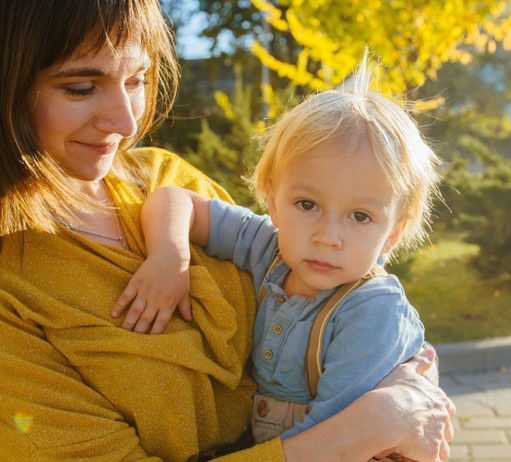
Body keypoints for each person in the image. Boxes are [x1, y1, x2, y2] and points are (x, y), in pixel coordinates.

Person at [0, 0, 455, 461]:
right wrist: (379, 422)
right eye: (81, 88)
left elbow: (351, 310)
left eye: (137, 79)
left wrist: (408, 384)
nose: (127, 122)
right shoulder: (13, 286)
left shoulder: (161, 175)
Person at [112, 56, 440, 451]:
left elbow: (338, 435)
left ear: (393, 234)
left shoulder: (371, 311)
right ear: (272, 199)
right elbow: (174, 199)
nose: (327, 236)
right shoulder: (269, 247)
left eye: (360, 216)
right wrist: (170, 256)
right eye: (307, 205)